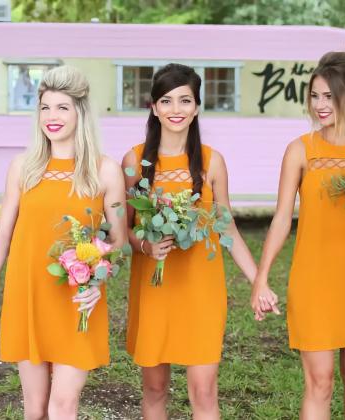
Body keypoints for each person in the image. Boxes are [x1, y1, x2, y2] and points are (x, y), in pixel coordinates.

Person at [250, 51, 345, 420]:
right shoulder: (300, 150)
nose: (319, 105)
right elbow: (282, 218)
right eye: (314, 96)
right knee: (320, 383)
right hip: (313, 279)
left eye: (328, 96)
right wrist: (261, 278)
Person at [0, 65, 126, 420]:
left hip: (78, 298)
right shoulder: (23, 167)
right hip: (27, 293)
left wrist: (98, 281)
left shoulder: (104, 170)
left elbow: (118, 238)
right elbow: (2, 232)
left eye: (62, 107)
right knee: (35, 410)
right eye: (45, 107)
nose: (52, 116)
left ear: (80, 112)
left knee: (63, 405)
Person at [122, 63, 257, 420]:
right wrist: (146, 246)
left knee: (204, 391)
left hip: (201, 289)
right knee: (154, 389)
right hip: (155, 290)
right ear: (153, 107)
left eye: (185, 100)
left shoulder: (212, 162)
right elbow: (124, 230)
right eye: (166, 101)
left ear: (197, 107)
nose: (176, 110)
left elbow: (227, 229)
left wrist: (258, 281)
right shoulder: (135, 161)